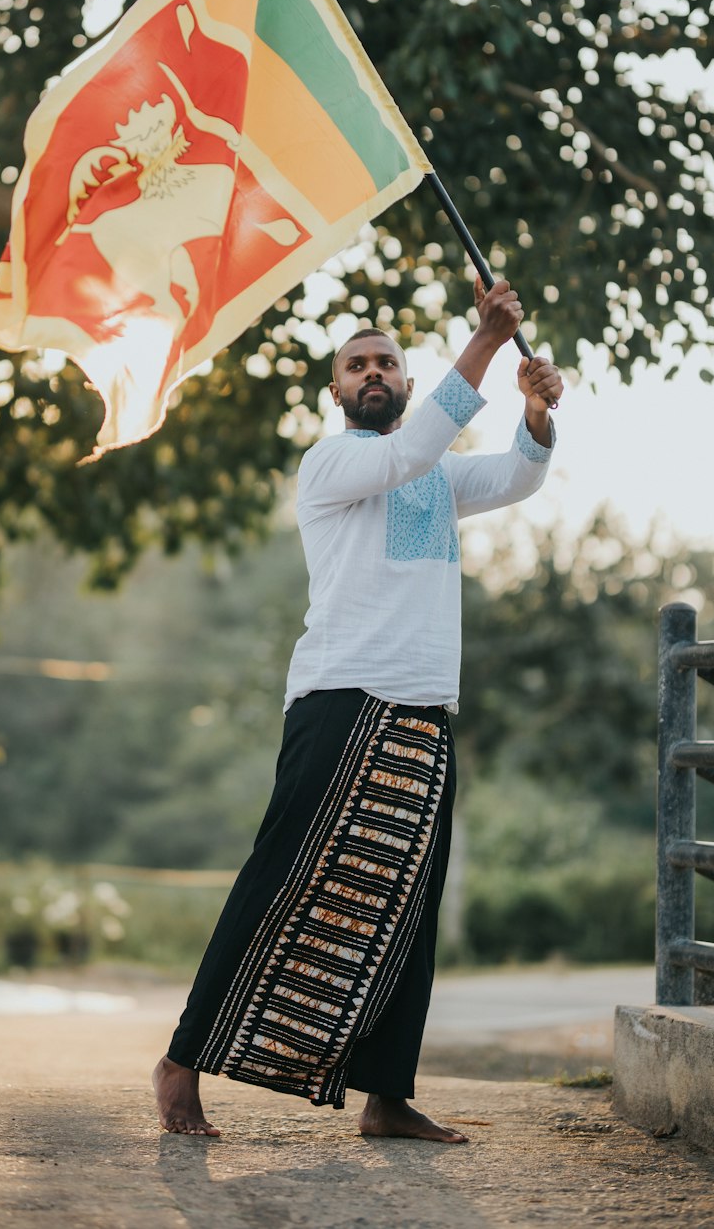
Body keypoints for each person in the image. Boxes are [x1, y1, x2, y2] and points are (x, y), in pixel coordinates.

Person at [153, 276, 563, 1140]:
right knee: (278, 884)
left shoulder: (438, 478)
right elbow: (406, 456)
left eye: (387, 364)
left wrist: (533, 416)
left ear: (408, 385)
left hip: (424, 715)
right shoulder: (334, 462)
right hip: (341, 701)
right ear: (337, 391)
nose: (373, 373)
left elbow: (520, 478)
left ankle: (387, 1097)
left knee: (410, 907)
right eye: (357, 366)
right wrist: (486, 341)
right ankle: (183, 1061)